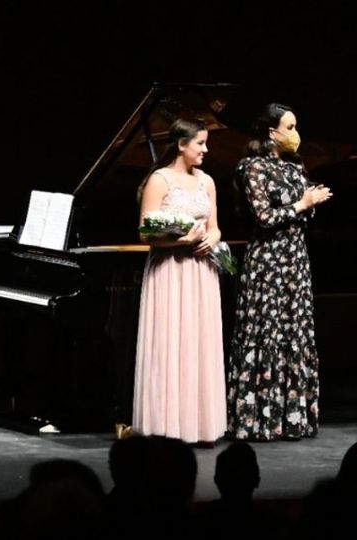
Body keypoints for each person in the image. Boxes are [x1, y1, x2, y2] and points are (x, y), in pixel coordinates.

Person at [227, 103, 332, 441]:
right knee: (267, 331)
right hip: (268, 261)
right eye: (289, 126)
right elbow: (263, 217)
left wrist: (309, 204)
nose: (294, 133)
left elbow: (302, 216)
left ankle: (293, 418)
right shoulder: (253, 168)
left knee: (294, 331)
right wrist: (301, 205)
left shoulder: (294, 167)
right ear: (271, 132)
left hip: (296, 260)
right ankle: (258, 419)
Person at [132, 118, 226, 445]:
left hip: (201, 272)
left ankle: (199, 427)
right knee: (170, 342)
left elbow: (215, 226)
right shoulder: (160, 180)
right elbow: (146, 231)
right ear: (181, 144)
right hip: (170, 270)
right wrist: (182, 240)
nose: (205, 149)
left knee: (198, 343)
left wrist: (212, 238)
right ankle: (166, 428)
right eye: (200, 143)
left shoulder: (207, 181)